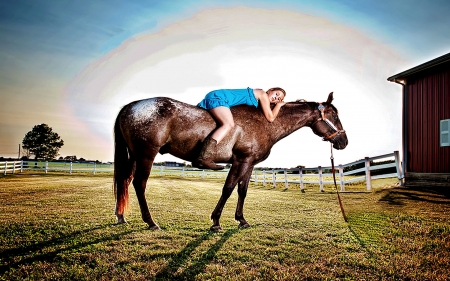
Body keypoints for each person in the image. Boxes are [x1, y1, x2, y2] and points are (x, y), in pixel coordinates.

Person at [195, 87, 286, 170]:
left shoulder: (260, 98)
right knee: (228, 124)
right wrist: (279, 105)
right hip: (220, 97)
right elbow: (270, 118)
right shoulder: (263, 94)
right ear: (270, 90)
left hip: (219, 96)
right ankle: (204, 158)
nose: (276, 98)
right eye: (276, 94)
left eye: (279, 99)